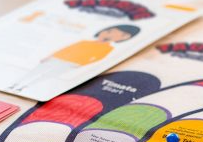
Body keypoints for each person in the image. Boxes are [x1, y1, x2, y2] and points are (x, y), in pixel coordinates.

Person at [10, 24, 140, 92]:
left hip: (70, 64)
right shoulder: (84, 42)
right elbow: (66, 49)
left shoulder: (108, 48)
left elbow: (97, 58)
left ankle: (25, 86)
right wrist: (49, 56)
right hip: (57, 58)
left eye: (120, 35)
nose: (109, 35)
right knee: (36, 71)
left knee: (46, 76)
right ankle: (16, 84)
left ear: (123, 38)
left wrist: (79, 64)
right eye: (109, 31)